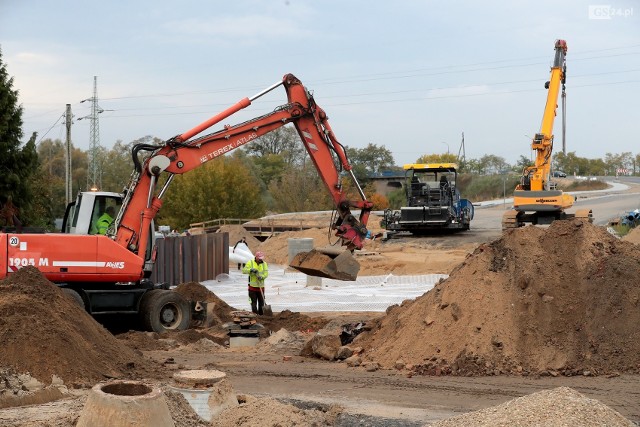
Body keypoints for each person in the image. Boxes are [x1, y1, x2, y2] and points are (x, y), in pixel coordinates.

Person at [242, 251, 269, 315]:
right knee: (253, 305)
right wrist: (250, 270)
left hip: (261, 288)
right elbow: (244, 270)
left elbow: (266, 274)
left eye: (261, 258)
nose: (260, 259)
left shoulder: (264, 264)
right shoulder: (250, 262)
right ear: (256, 257)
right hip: (252, 288)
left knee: (261, 305)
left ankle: (261, 317)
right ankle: (255, 317)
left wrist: (261, 277)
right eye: (259, 258)